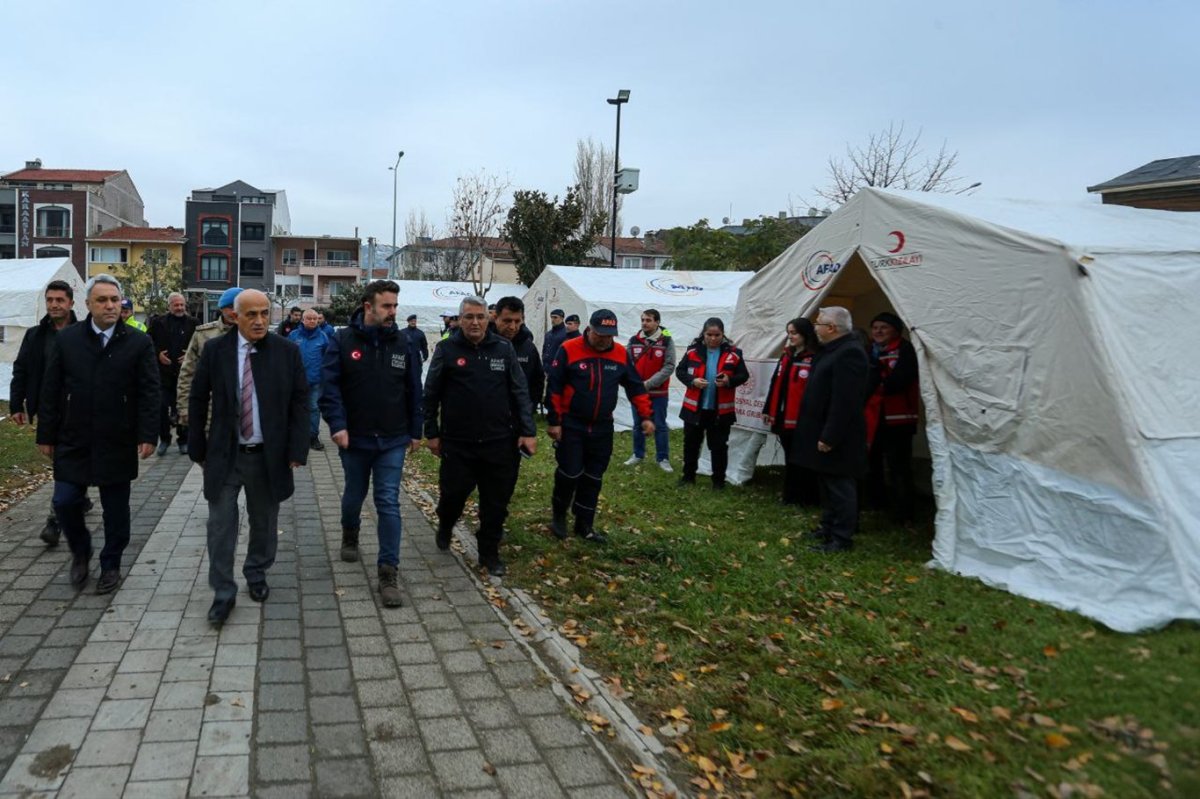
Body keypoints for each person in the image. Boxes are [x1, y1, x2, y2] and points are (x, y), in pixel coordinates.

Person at [189, 289, 309, 624]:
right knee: (221, 525)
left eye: (264, 313)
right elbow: (198, 399)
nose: (259, 321)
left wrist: (297, 449)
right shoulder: (215, 351)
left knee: (264, 522)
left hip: (266, 456)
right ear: (234, 316)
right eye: (251, 314)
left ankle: (257, 573)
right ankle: (223, 592)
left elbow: (301, 402)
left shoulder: (287, 352)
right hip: (225, 455)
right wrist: (196, 446)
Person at [36, 274, 159, 593]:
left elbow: (149, 390)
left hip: (116, 438)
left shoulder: (137, 342)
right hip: (73, 437)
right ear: (88, 304)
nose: (110, 306)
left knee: (116, 509)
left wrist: (148, 433)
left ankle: (111, 564)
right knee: (64, 502)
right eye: (102, 300)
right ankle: (81, 551)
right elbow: (50, 389)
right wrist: (46, 434)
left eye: (115, 300)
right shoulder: (68, 340)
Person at [320, 280, 422, 608]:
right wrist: (338, 425)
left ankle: (388, 571)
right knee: (354, 493)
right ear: (368, 306)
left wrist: (416, 429)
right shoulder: (342, 340)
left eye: (395, 306)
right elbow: (329, 387)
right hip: (355, 438)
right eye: (387, 306)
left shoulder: (403, 342)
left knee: (388, 501)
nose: (393, 312)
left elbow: (413, 389)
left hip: (392, 437)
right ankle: (350, 532)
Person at [423, 296, 537, 576]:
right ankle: (446, 524)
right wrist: (431, 432)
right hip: (458, 443)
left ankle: (489, 552)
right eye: (469, 317)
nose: (475, 322)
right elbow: (431, 393)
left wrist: (528, 430)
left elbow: (519, 391)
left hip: (499, 442)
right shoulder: (447, 349)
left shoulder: (503, 348)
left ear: (489, 319)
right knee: (452, 497)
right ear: (460, 320)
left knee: (495, 503)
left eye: (480, 317)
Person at [546, 309, 653, 544]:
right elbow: (554, 386)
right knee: (570, 471)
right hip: (572, 423)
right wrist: (554, 421)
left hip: (603, 426)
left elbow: (635, 386)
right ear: (590, 329)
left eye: (609, 335)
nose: (605, 339)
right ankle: (559, 516)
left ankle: (585, 523)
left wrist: (645, 416)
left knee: (593, 477)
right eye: (600, 334)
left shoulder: (620, 354)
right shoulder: (569, 349)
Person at [791, 306, 870, 553]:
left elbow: (845, 401)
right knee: (826, 483)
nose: (815, 327)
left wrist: (830, 436)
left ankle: (841, 538)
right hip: (819, 428)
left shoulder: (850, 353)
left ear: (832, 328)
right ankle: (828, 527)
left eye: (819, 323)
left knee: (839, 485)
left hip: (838, 435)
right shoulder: (832, 350)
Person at [9, 279, 81, 546]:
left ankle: (57, 517)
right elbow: (21, 369)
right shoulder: (35, 335)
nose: (54, 305)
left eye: (59, 300)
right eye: (50, 300)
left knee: (65, 463)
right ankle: (62, 510)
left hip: (78, 410)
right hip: (47, 410)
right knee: (60, 463)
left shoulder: (84, 333)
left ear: (71, 303)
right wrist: (17, 404)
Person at [675, 317, 749, 490]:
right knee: (691, 444)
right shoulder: (693, 350)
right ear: (703, 333)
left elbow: (743, 376)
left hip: (720, 411)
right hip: (694, 408)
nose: (713, 339)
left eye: (717, 335)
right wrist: (693, 381)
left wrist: (729, 380)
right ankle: (688, 477)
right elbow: (680, 371)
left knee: (718, 447)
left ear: (723, 334)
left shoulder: (734, 353)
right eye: (709, 334)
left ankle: (718, 482)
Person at [864, 311, 920, 523]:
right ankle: (877, 503)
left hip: (900, 418)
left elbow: (898, 381)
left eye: (883, 327)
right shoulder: (870, 351)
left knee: (899, 466)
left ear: (895, 330)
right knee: (873, 461)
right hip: (874, 415)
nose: (878, 331)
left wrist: (876, 381)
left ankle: (904, 512)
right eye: (875, 327)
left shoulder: (906, 350)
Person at [762, 318, 820, 505]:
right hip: (783, 416)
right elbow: (775, 382)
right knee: (790, 457)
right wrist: (768, 408)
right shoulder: (787, 355)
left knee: (803, 459)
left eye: (794, 333)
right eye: (789, 333)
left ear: (805, 334)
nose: (791, 337)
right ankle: (790, 495)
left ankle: (806, 497)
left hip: (803, 418)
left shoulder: (815, 357)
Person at [177, 287, 241, 429]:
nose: (233, 312)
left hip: (243, 411)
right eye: (229, 307)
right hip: (211, 412)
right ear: (221, 308)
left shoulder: (252, 335)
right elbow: (187, 372)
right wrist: (184, 407)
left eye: (237, 307)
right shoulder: (203, 334)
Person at [624, 308, 675, 471]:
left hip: (659, 393)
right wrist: (635, 384)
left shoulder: (666, 340)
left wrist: (649, 383)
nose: (644, 323)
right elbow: (627, 363)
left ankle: (663, 458)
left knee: (660, 425)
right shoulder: (634, 340)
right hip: (638, 393)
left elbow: (669, 366)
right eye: (643, 320)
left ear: (657, 322)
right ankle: (637, 454)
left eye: (648, 320)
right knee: (637, 424)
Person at [148, 292, 198, 456]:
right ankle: (164, 439)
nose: (179, 308)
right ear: (169, 306)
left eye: (182, 305)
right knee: (162, 408)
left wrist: (189, 355)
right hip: (163, 375)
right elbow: (148, 342)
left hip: (184, 375)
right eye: (176, 305)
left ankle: (183, 440)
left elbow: (200, 344)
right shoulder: (158, 323)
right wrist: (158, 355)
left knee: (183, 408)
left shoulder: (193, 323)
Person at [289, 309, 331, 450]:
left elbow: (328, 358)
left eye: (315, 318)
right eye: (309, 318)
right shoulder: (293, 336)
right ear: (303, 320)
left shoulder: (323, 337)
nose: (312, 321)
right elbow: (286, 357)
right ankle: (297, 437)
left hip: (315, 381)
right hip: (296, 381)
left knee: (314, 409)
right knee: (297, 409)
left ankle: (312, 437)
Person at [493, 296, 545, 409]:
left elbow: (538, 380)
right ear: (495, 318)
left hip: (518, 419)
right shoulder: (483, 344)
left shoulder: (528, 347)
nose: (512, 327)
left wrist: (529, 408)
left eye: (517, 321)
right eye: (507, 321)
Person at [541, 308, 567, 409]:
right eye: (552, 317)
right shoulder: (549, 334)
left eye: (555, 317)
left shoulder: (565, 334)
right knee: (550, 389)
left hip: (559, 368)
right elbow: (545, 350)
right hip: (548, 367)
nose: (553, 320)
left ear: (561, 318)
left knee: (558, 390)